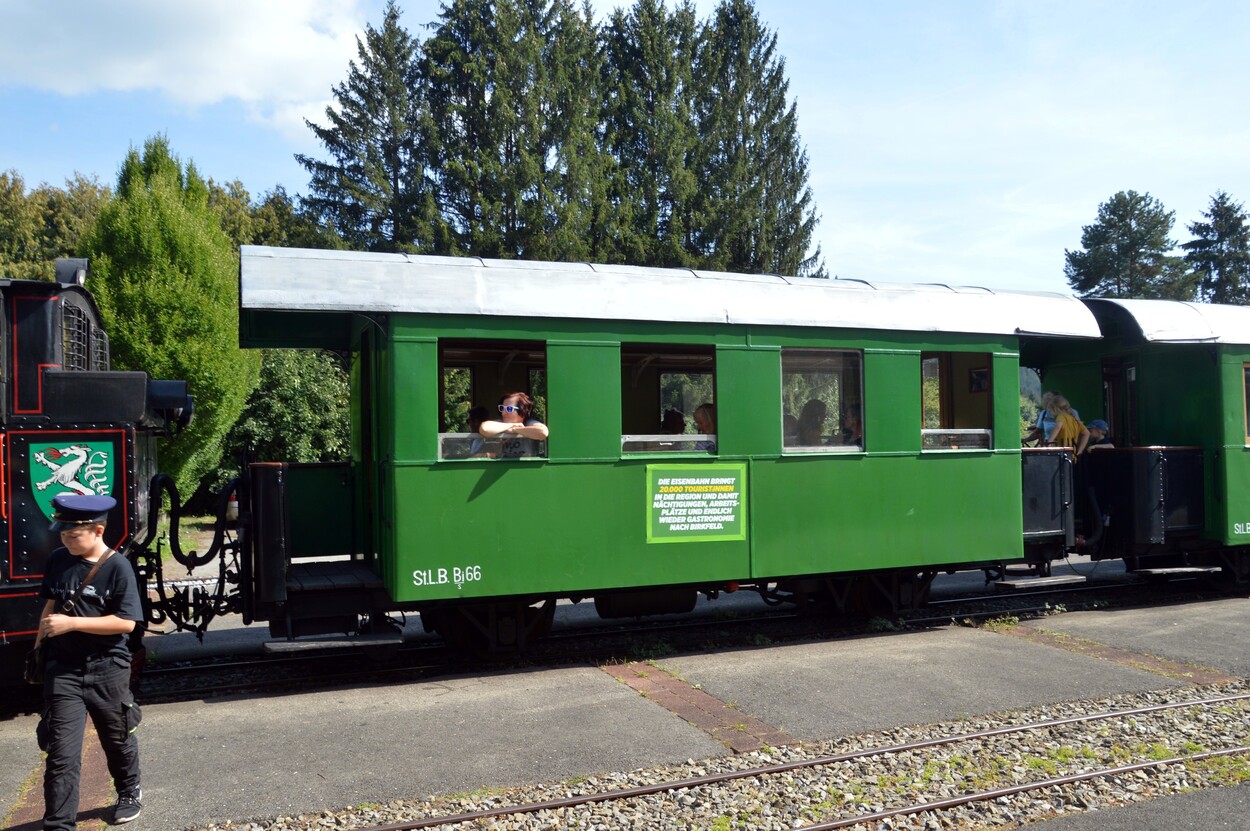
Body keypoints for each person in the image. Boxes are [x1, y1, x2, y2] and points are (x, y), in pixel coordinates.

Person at [36, 493, 144, 829]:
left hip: (107, 668)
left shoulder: (118, 567)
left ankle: (129, 791)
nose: (65, 540)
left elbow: (127, 623)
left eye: (73, 535)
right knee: (61, 754)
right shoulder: (58, 560)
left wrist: (72, 624)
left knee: (117, 739)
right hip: (64, 671)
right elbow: (50, 607)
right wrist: (38, 650)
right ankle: (59, 825)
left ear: (98, 530)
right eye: (62, 534)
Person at [477, 391, 549, 458]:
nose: (503, 413)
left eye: (509, 409)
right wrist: (511, 425)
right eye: (502, 408)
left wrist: (515, 430)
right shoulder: (502, 423)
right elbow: (484, 429)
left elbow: (543, 432)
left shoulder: (529, 423)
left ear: (522, 410)